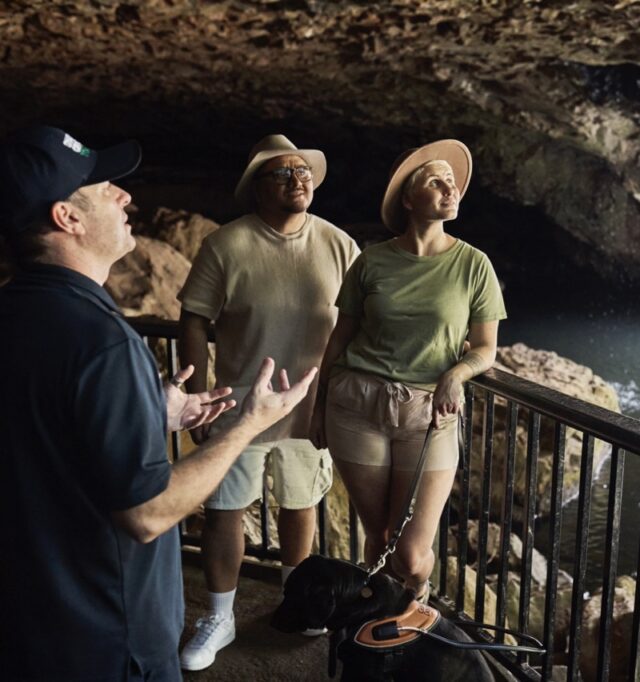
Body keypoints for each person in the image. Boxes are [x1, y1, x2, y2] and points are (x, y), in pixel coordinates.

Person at [0, 125, 316, 681]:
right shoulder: (103, 342)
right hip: (108, 640)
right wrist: (249, 424)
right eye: (103, 188)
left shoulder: (17, 313)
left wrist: (151, 414)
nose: (125, 196)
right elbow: (147, 514)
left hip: (30, 625)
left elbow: (46, 437)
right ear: (66, 218)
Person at [176, 134, 360, 670]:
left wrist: (334, 399)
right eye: (283, 173)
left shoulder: (339, 243)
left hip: (309, 406)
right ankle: (219, 616)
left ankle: (295, 602)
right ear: (257, 187)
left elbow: (357, 324)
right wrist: (198, 395)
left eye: (303, 171)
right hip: (239, 405)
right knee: (224, 510)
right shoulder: (225, 245)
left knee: (300, 505)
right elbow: (194, 318)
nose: (298, 178)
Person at [311, 139, 506, 601]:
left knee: (413, 554)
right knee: (378, 538)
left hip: (428, 415)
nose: (450, 188)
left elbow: (484, 349)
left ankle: (415, 613)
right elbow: (339, 339)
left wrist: (455, 375)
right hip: (356, 406)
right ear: (407, 198)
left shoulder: (474, 265)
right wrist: (316, 408)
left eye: (453, 183)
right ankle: (381, 629)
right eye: (436, 181)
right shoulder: (372, 261)